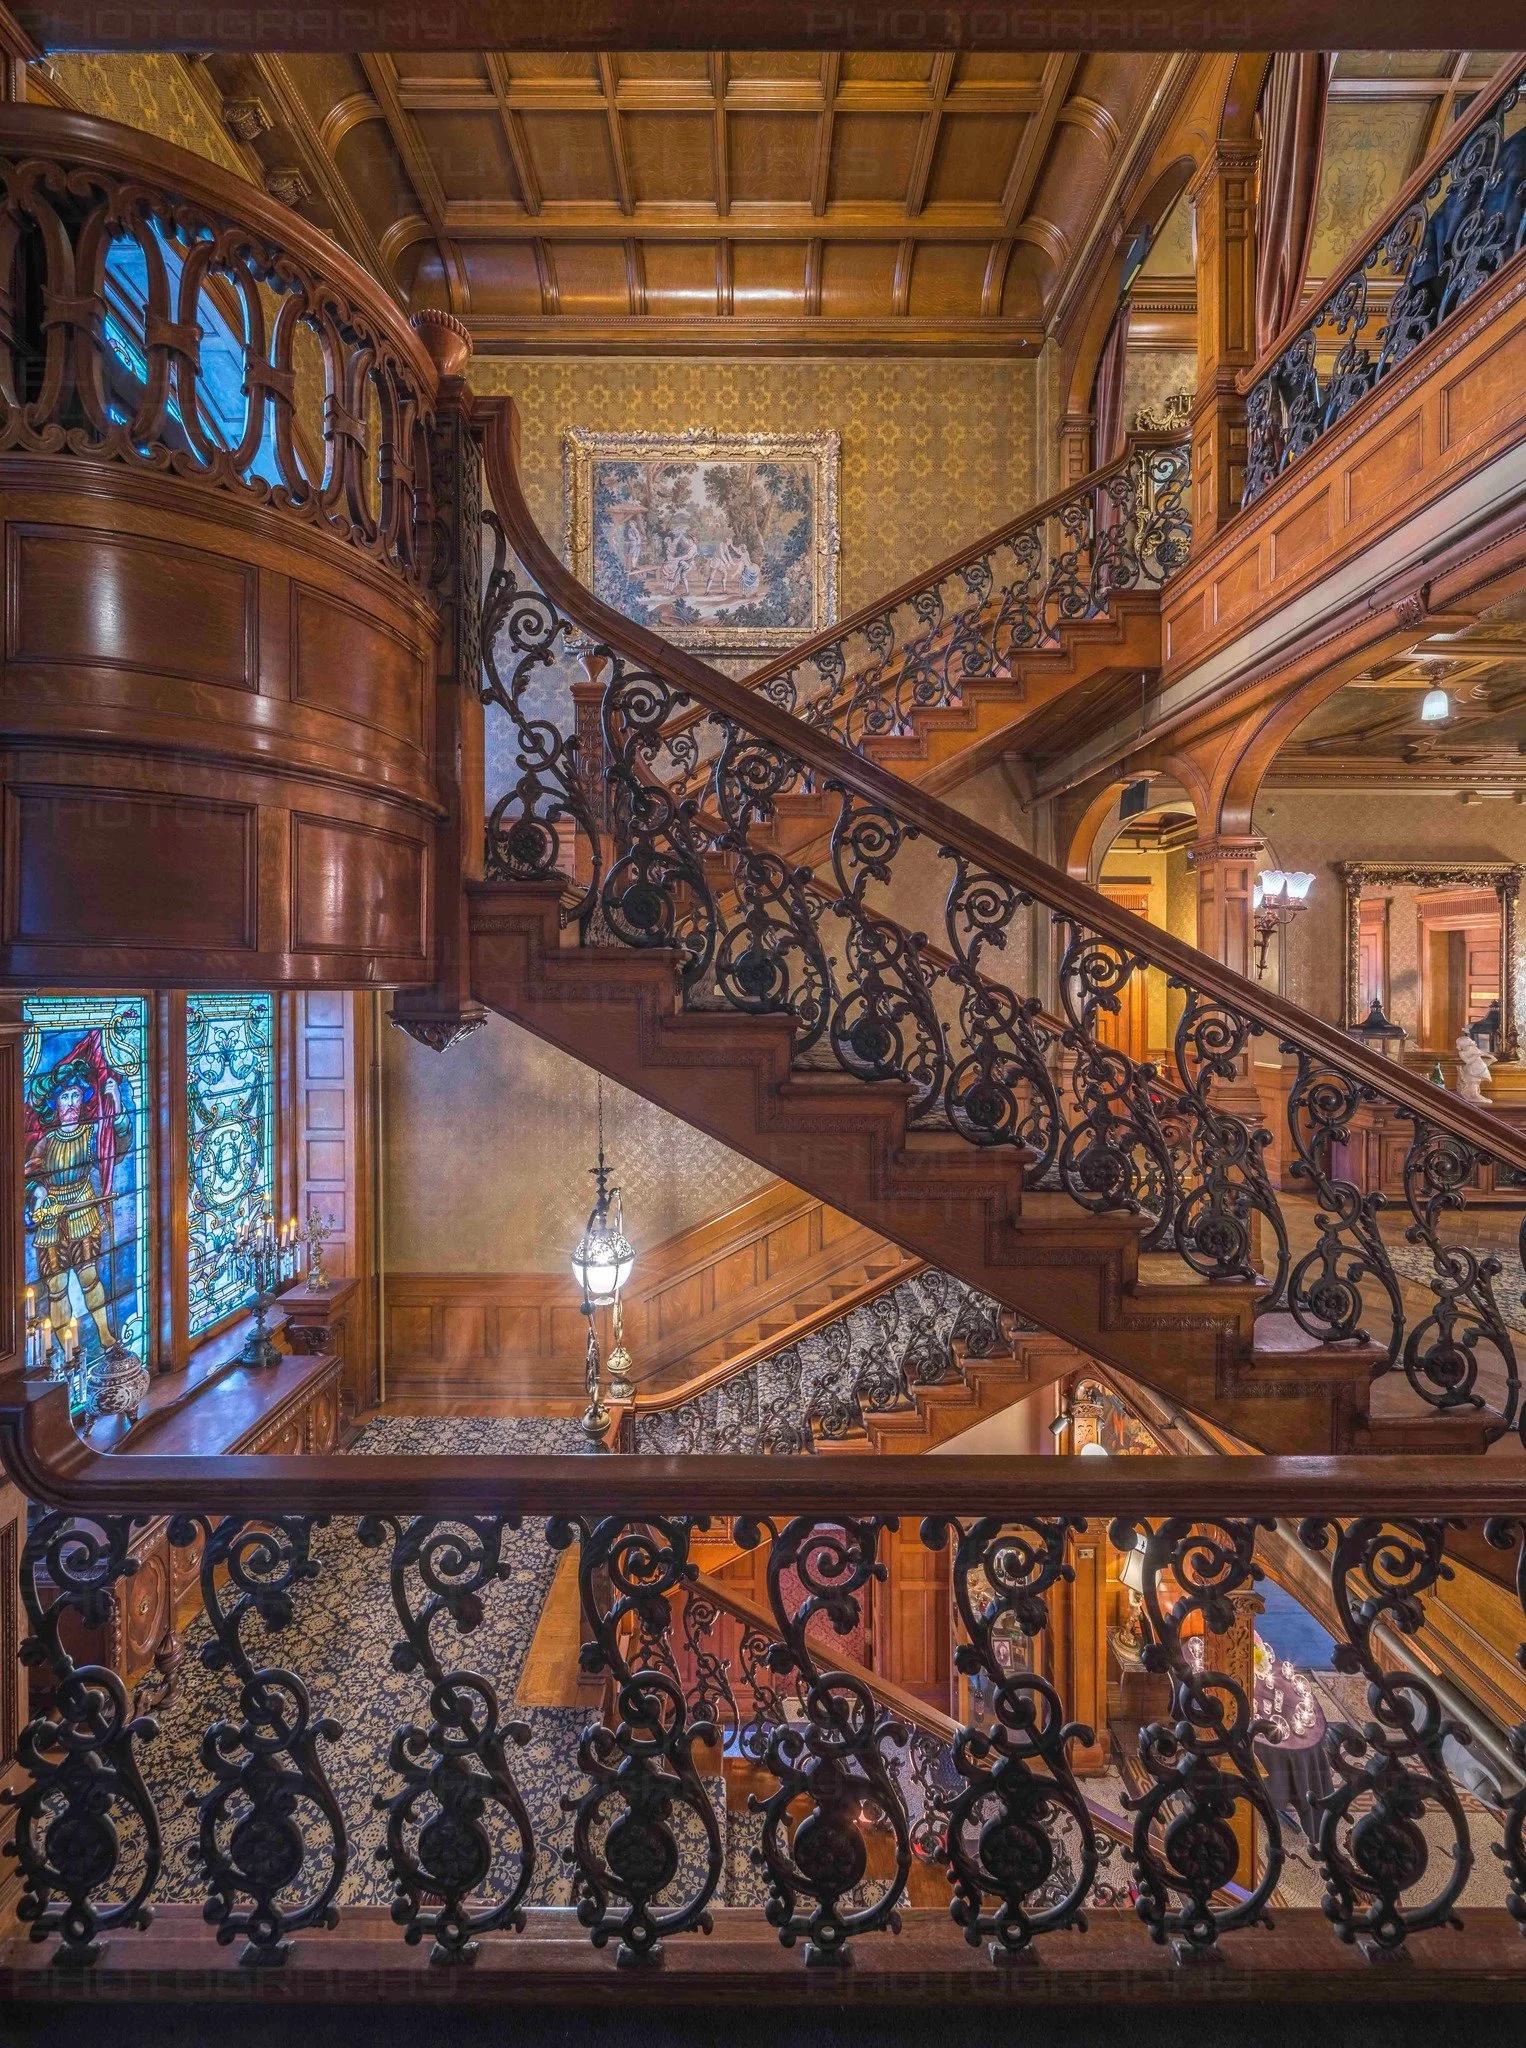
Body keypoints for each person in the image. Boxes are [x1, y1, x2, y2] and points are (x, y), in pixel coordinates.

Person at [24, 1056, 129, 1357]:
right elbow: (30, 1175)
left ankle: (107, 1338)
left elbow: (115, 1150)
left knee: (88, 1277)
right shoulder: (46, 1142)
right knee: (56, 1288)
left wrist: (117, 1107)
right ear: (55, 1104)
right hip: (51, 1219)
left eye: (75, 1096)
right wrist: (38, 1190)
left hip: (83, 1211)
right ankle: (67, 1353)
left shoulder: (91, 1133)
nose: (70, 1103)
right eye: (64, 1097)